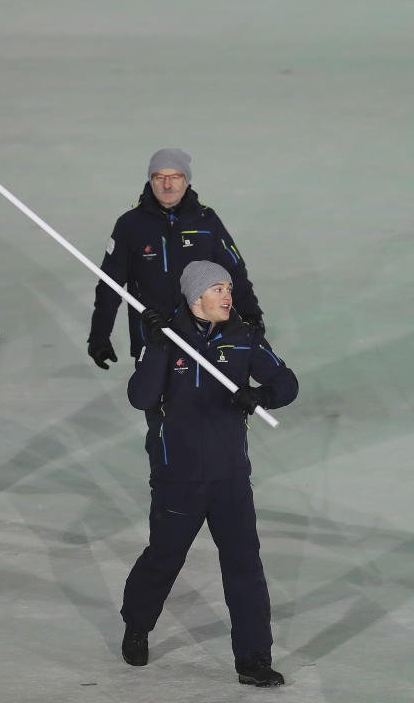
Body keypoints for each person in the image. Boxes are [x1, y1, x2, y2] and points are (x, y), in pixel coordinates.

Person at [119, 260, 297, 686]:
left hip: (230, 476)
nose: (227, 295)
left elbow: (286, 382)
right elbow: (140, 396)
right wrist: (159, 346)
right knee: (164, 558)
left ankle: (253, 659)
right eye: (217, 288)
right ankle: (137, 623)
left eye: (228, 287)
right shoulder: (164, 338)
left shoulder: (242, 336)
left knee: (244, 566)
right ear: (195, 296)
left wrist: (262, 395)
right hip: (177, 476)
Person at [87, 148, 265, 370]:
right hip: (152, 340)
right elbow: (110, 286)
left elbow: (234, 272)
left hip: (206, 340)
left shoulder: (206, 222)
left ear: (186, 181)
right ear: (151, 181)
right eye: (159, 178)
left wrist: (251, 315)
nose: (167, 185)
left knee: (206, 400)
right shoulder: (130, 226)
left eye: (175, 177)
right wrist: (99, 335)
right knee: (154, 401)